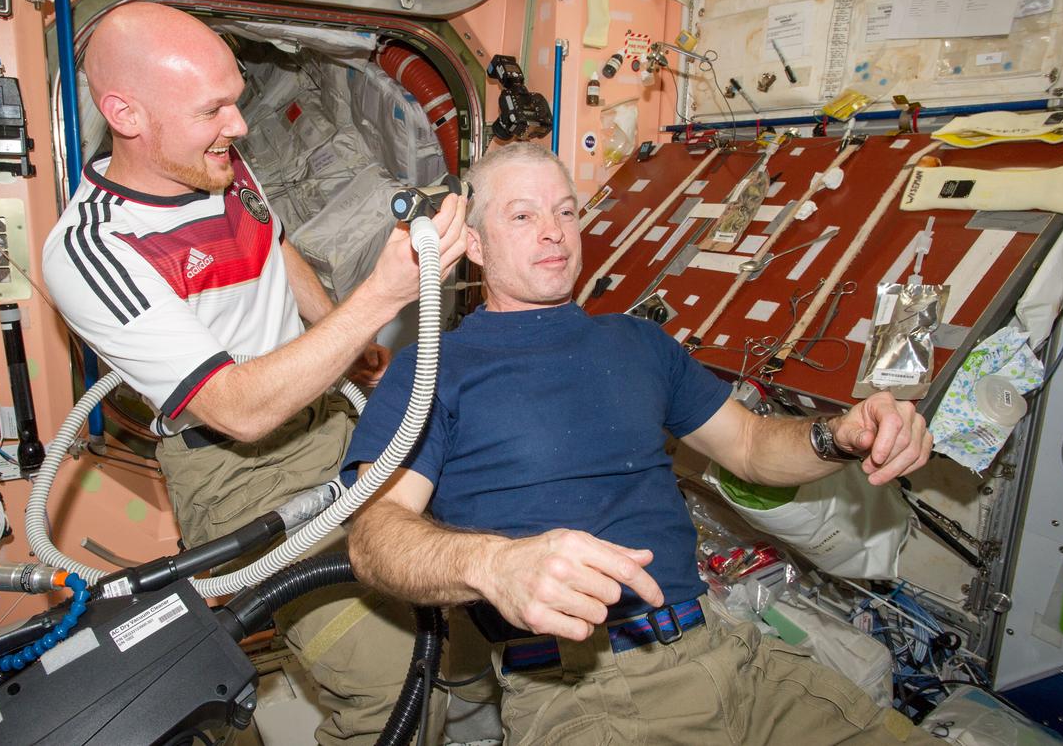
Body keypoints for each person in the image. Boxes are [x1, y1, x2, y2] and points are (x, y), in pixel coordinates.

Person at [342, 141, 938, 745]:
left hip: (730, 652)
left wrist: (840, 434)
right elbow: (373, 537)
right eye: (522, 215)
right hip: (588, 687)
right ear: (474, 243)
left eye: (566, 211)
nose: (553, 231)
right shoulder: (432, 368)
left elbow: (752, 444)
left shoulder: (638, 342)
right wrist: (494, 565)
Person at [41, 1, 467, 745]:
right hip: (243, 472)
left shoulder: (216, 163)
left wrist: (346, 341)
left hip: (328, 420)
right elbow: (236, 408)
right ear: (125, 114)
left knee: (446, 616)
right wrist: (377, 299)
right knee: (393, 689)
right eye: (213, 109)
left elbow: (274, 245)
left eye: (235, 100)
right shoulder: (94, 250)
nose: (238, 126)